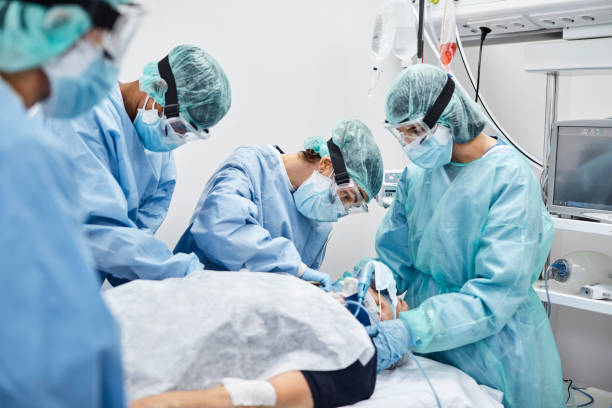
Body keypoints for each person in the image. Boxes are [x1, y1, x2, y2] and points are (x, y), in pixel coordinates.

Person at [365, 64, 564, 408]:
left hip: (497, 351)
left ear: (448, 117)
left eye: (414, 131)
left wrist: (411, 327)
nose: (409, 144)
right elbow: (394, 260)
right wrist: (372, 288)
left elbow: (495, 294)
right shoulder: (418, 176)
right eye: (402, 134)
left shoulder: (510, 178)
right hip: (431, 343)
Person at [0, 0, 142, 405]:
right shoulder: (22, 152)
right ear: (60, 26)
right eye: (104, 42)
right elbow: (58, 346)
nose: (105, 63)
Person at [37, 44, 231, 285]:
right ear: (159, 87)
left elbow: (130, 255)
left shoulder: (162, 165)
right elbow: (97, 231)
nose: (177, 138)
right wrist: (187, 274)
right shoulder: (82, 111)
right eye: (179, 126)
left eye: (187, 133)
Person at [103, 271, 378, 408]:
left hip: (119, 350)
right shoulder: (292, 285)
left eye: (381, 306)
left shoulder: (355, 352)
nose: (358, 297)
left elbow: (244, 397)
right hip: (129, 306)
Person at [174, 119, 384, 291]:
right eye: (347, 196)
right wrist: (292, 266)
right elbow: (218, 228)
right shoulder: (250, 167)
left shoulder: (319, 222)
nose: (340, 211)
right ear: (326, 165)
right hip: (201, 298)